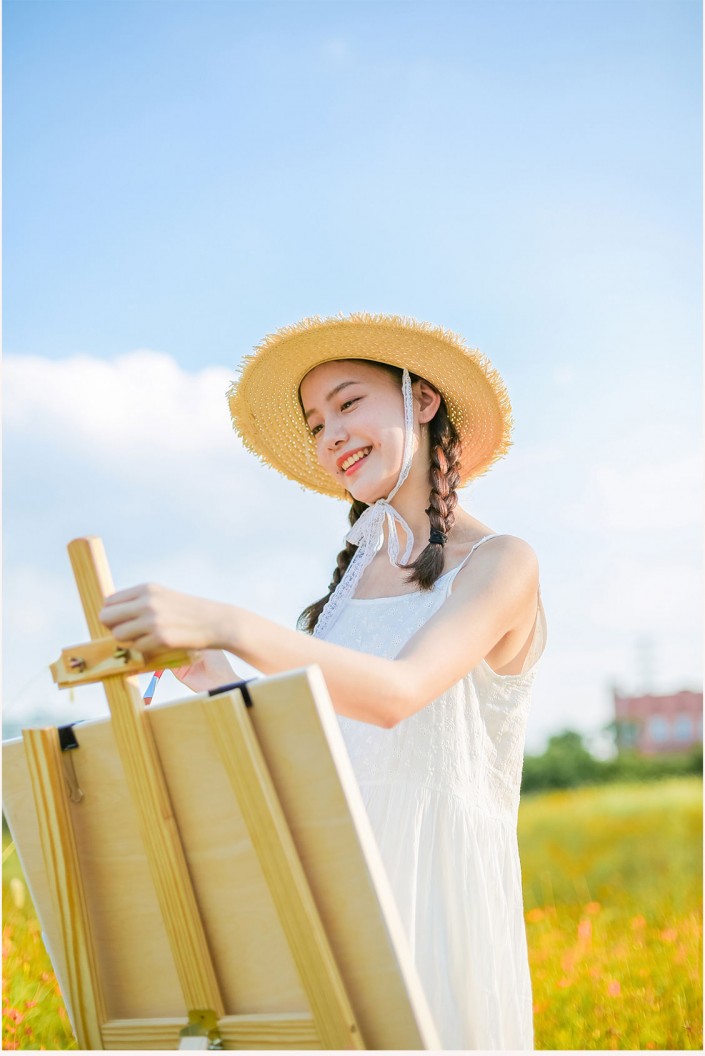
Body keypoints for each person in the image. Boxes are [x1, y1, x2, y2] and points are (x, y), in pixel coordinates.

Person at [100, 312, 547, 1050]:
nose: (330, 434)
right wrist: (214, 676)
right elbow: (317, 754)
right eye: (315, 423)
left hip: (430, 900)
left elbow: (396, 695)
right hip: (329, 892)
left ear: (422, 399)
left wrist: (230, 622)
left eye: (347, 404)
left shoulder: (502, 562)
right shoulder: (347, 586)